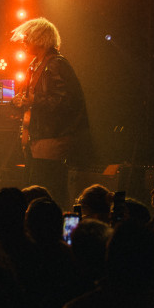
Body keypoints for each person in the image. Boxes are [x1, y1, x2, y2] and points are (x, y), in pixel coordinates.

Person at [9, 17, 90, 209]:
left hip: (52, 136)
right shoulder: (35, 65)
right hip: (36, 136)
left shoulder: (56, 64)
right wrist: (17, 101)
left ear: (40, 38)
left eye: (27, 37)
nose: (23, 41)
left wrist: (34, 101)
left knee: (48, 185)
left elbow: (67, 100)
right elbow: (29, 97)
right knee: (35, 185)